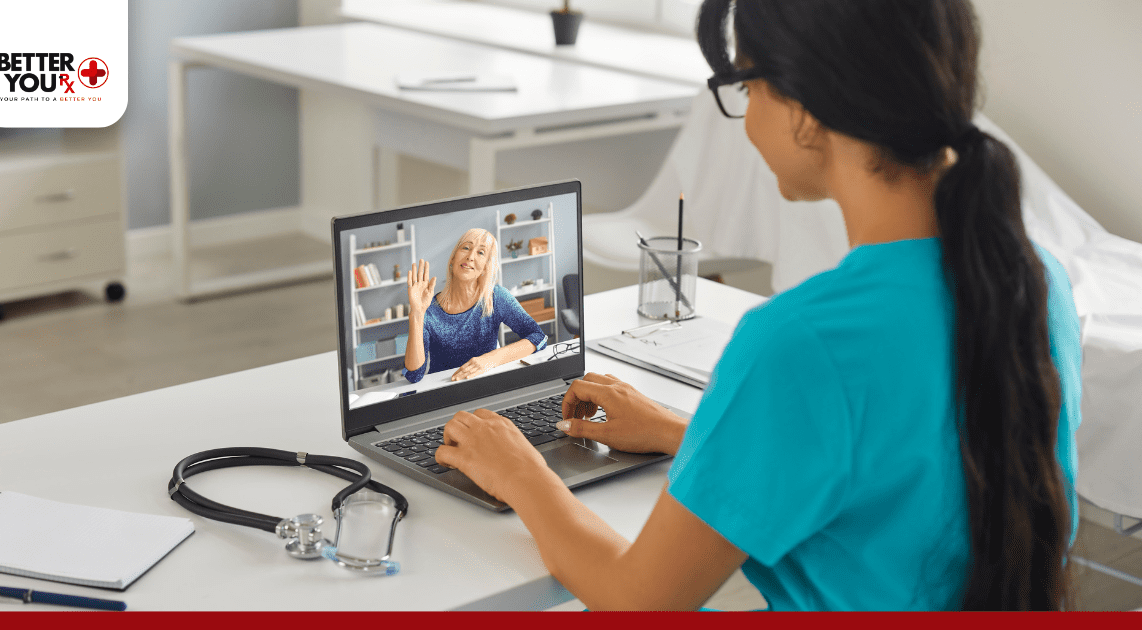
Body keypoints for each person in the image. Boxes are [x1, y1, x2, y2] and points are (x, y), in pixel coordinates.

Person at [433, 0, 1081, 611]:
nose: (744, 118)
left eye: (745, 87)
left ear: (805, 108)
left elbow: (639, 599)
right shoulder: (1033, 281)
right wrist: (679, 432)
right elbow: (902, 472)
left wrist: (519, 471)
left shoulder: (802, 339)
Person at [403, 228, 547, 383]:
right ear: (452, 258)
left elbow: (538, 337)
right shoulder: (429, 309)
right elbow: (414, 375)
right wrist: (417, 313)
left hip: (487, 387)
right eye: (466, 248)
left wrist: (491, 359)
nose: (470, 256)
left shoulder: (496, 297)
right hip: (445, 392)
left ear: (486, 266)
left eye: (481, 253)